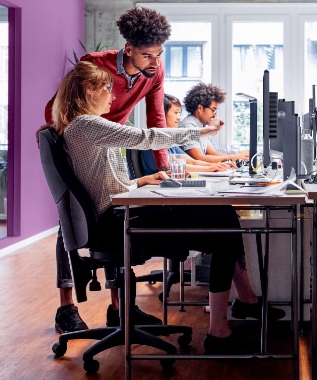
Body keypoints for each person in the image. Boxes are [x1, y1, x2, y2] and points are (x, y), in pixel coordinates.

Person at [53, 61, 282, 353]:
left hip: (115, 218)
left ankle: (236, 311)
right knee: (223, 221)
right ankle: (221, 329)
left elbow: (103, 188)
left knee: (222, 217)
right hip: (118, 223)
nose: (112, 96)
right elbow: (144, 137)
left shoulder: (79, 128)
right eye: (106, 89)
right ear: (88, 90)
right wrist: (198, 133)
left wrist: (142, 181)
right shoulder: (87, 124)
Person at [41, 7, 173, 334]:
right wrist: (69, 150)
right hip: (80, 139)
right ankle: (66, 307)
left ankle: (121, 312)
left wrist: (165, 169)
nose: (154, 62)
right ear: (128, 49)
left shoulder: (154, 71)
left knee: (116, 220)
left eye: (158, 54)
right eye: (147, 54)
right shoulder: (94, 63)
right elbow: (59, 106)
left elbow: (156, 120)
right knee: (72, 219)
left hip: (115, 142)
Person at [139, 94, 237, 175]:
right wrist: (211, 168)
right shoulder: (153, 140)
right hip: (155, 191)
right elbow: (171, 166)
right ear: (161, 114)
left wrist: (217, 165)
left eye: (179, 113)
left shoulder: (170, 141)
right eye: (176, 113)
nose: (178, 118)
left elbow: (191, 161)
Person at [179, 83, 249, 163]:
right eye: (213, 110)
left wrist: (239, 155)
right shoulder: (189, 125)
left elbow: (212, 153)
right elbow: (199, 158)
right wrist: (234, 157)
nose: (215, 114)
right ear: (200, 108)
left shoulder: (201, 126)